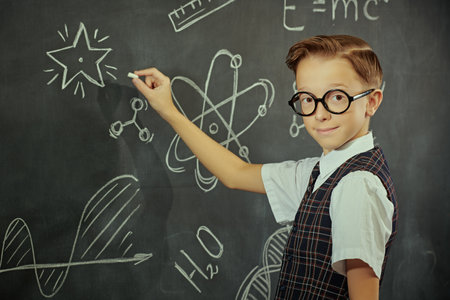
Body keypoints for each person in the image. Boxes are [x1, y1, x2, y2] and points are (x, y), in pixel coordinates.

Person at [131, 35, 398, 300]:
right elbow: (235, 173)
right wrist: (168, 110)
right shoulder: (321, 173)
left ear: (371, 102)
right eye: (307, 98)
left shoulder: (357, 185)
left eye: (337, 97)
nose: (319, 113)